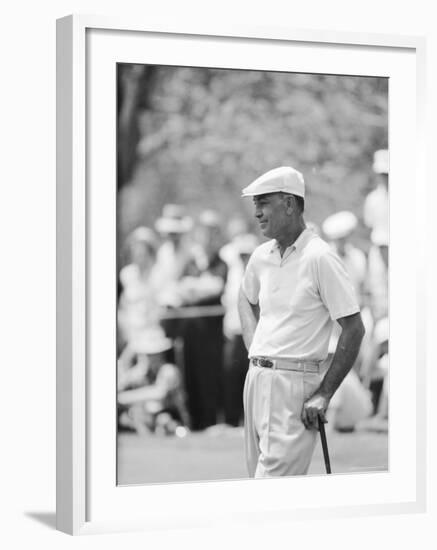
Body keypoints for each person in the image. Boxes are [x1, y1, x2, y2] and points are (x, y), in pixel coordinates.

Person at [238, 166, 365, 477]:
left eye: (263, 203)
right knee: (254, 489)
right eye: (256, 204)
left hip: (294, 386)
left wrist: (325, 392)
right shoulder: (261, 256)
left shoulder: (320, 257)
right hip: (256, 380)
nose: (257, 213)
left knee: (271, 492)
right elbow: (244, 298)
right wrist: (254, 348)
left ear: (290, 204)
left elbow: (354, 327)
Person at [118, 328, 189, 436]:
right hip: (150, 418)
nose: (148, 358)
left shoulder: (169, 370)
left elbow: (159, 393)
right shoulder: (142, 373)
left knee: (164, 420)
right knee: (133, 415)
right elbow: (120, 383)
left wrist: (123, 397)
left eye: (151, 354)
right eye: (146, 354)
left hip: (172, 417)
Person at [221, 233, 259, 426]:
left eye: (247, 254)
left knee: (251, 377)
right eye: (241, 255)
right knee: (232, 378)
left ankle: (250, 420)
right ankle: (233, 420)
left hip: (254, 333)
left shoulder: (259, 272)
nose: (244, 258)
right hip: (233, 333)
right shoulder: (234, 273)